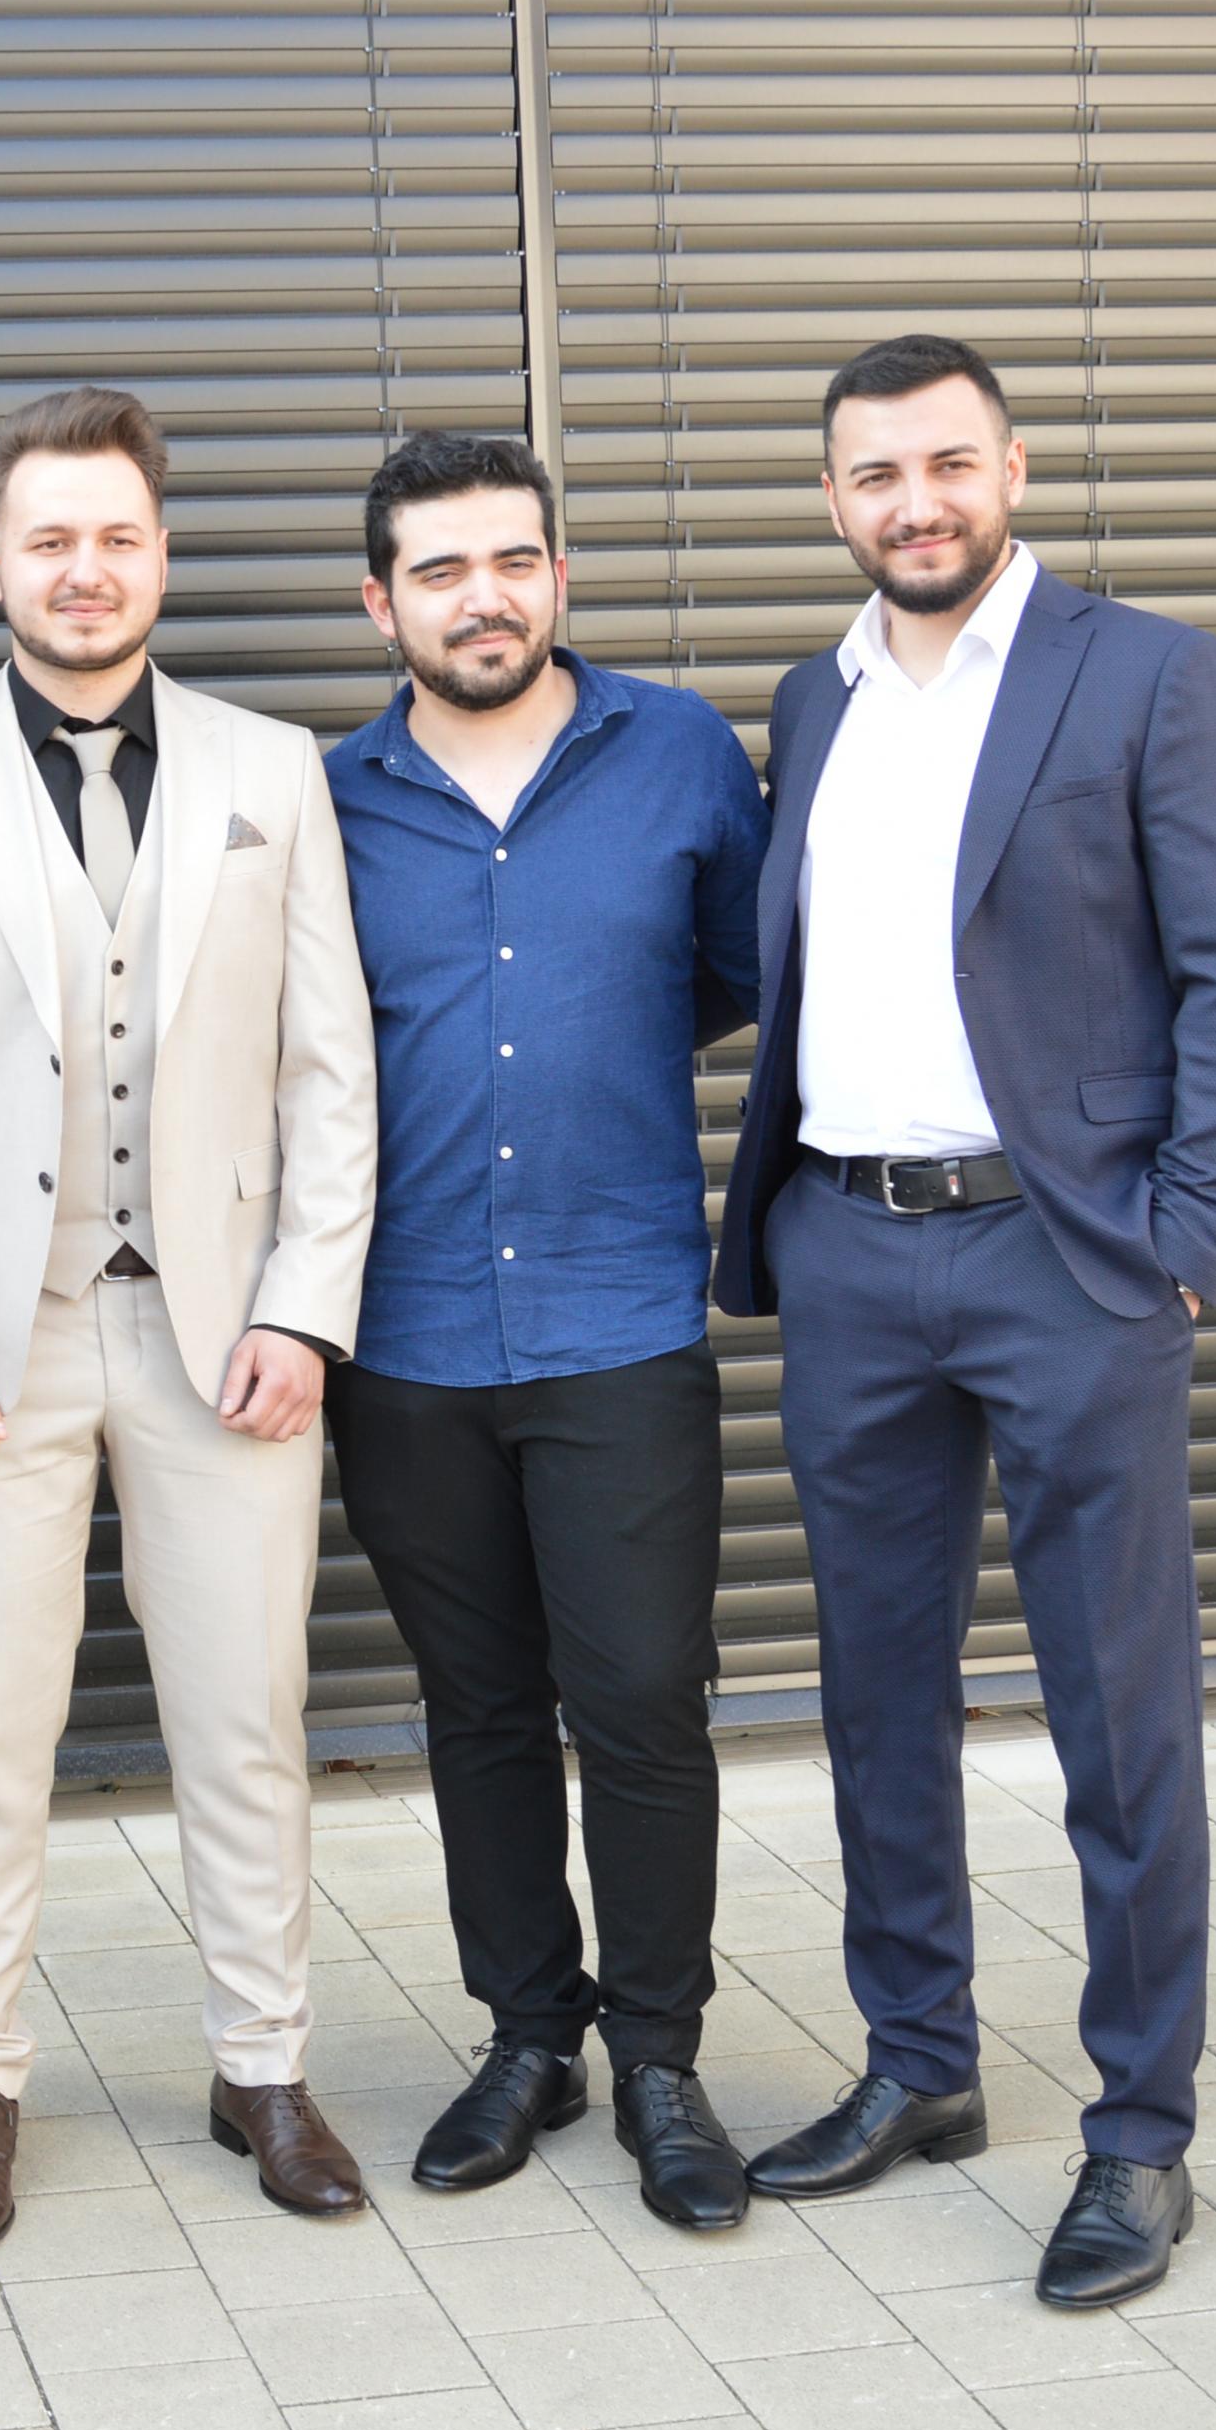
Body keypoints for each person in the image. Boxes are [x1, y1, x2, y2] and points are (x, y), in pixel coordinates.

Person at [711, 333, 1216, 2310]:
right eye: (875, 474)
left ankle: (1139, 2135)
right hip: (847, 1254)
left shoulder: (1146, 674)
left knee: (1115, 1712)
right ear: (831, 499)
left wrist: (1182, 1236)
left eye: (947, 462)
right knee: (875, 1695)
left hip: (1067, 1262)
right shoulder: (814, 697)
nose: (916, 503)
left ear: (1012, 468)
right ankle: (921, 2063)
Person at [0, 385, 381, 2247]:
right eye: (49, 538)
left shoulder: (273, 769)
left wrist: (306, 1310)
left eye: (115, 536)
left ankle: (262, 2066)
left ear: (160, 556)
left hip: (228, 1338)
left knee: (248, 1716)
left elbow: (330, 1072)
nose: (84, 568)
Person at [319, 432, 769, 2230]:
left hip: (618, 1317)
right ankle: (530, 2036)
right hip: (405, 1336)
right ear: (383, 604)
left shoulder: (681, 753)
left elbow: (733, 974)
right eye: (440, 569)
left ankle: (660, 2057)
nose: (483, 597)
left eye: (513, 560)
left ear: (558, 576)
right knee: (480, 1708)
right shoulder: (328, 800)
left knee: (645, 1700)